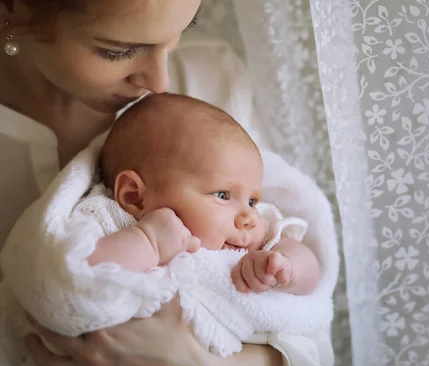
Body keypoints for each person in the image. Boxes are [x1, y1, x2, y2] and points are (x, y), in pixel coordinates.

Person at [0, 0, 334, 366]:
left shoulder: (208, 81)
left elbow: (310, 340)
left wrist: (201, 362)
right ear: (7, 3)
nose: (160, 82)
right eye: (118, 50)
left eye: (181, 29)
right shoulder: (98, 220)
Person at [88, 93, 320, 296]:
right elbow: (79, 276)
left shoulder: (260, 245)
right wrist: (148, 242)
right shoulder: (108, 223)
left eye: (252, 201)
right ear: (134, 197)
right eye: (222, 195)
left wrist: (283, 267)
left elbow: (311, 272)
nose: (248, 217)